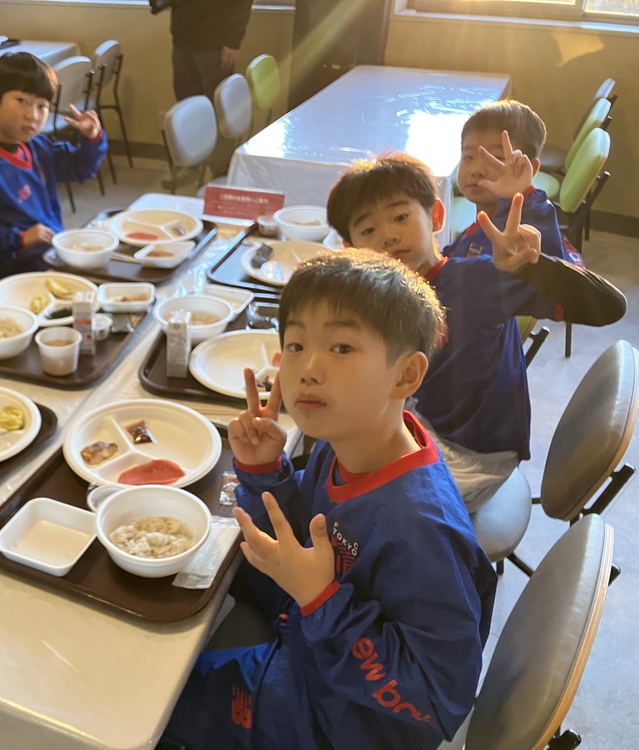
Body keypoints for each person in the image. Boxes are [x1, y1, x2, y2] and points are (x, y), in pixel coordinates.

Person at [159, 249, 496, 750]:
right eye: (295, 344)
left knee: (156, 703)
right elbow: (305, 529)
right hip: (304, 653)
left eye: (341, 347)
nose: (307, 369)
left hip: (334, 724)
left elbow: (437, 696)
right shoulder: (344, 442)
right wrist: (266, 471)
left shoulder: (421, 527)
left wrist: (322, 601)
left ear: (406, 375)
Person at [326, 154, 626, 510]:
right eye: (368, 231)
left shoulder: (475, 281)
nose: (388, 236)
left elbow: (609, 306)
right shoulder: (386, 295)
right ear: (352, 251)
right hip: (427, 424)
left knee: (345, 494)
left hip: (473, 454)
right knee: (328, 445)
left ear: (436, 216)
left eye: (401, 217)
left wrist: (533, 267)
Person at [0, 51, 107, 280]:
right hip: (18, 274)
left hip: (52, 258)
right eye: (22, 101)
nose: (32, 116)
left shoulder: (38, 147)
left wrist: (92, 138)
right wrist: (19, 238)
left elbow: (81, 167)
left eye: (42, 106)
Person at [451, 100, 579, 263]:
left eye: (497, 158)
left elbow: (544, 260)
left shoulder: (525, 228)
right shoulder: (483, 221)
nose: (477, 170)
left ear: (531, 169)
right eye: (468, 157)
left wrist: (526, 195)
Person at [169, 0, 254, 102]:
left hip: (214, 45)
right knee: (186, 103)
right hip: (182, 40)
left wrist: (233, 41)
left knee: (218, 101)